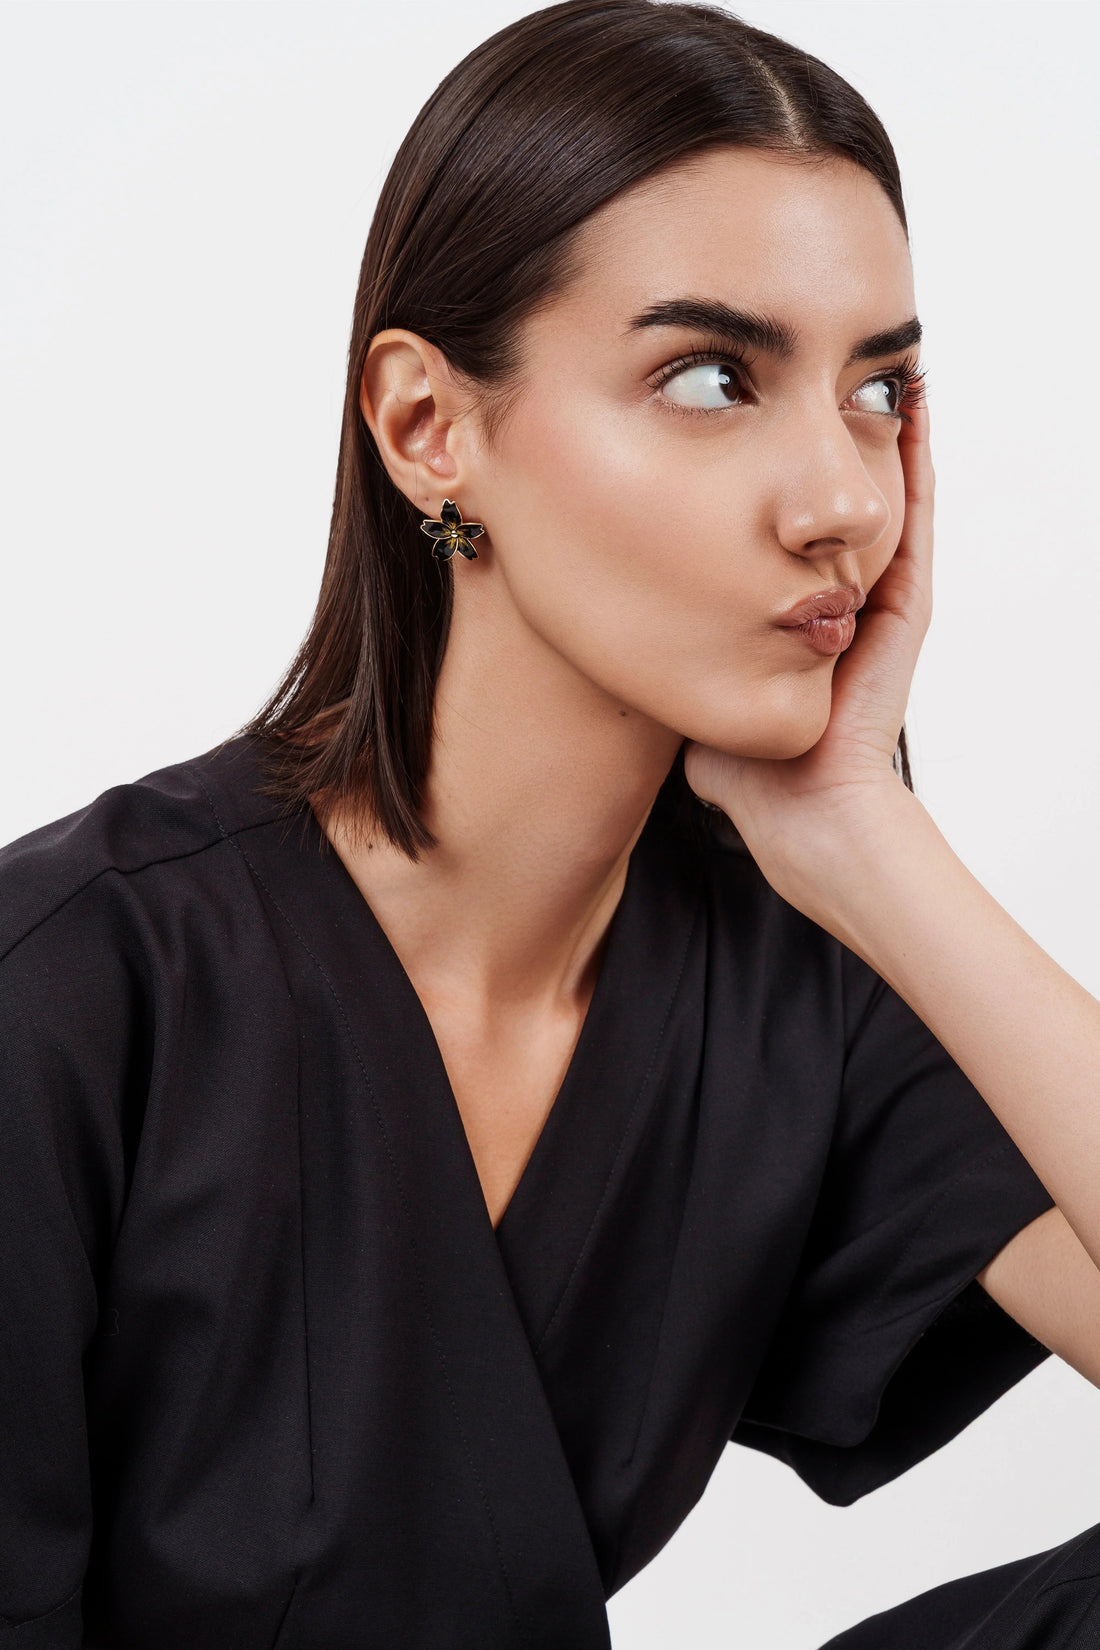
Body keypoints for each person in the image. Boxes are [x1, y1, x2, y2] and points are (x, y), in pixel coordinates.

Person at [2, 2, 1098, 1646]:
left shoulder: (796, 976)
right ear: (428, 429)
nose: (844, 503)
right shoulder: (71, 993)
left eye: (880, 389)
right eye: (714, 378)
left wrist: (869, 836)